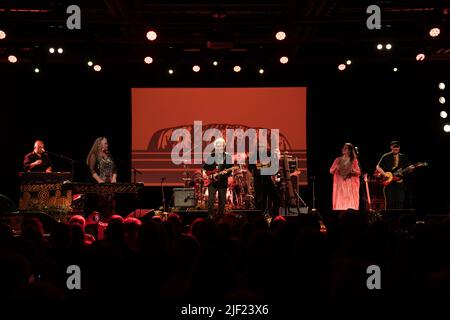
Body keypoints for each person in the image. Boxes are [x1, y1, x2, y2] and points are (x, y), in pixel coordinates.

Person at [376, 140, 413, 209]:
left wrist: (411, 168)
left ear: (399, 148)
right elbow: (378, 167)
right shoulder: (386, 156)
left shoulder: (403, 157)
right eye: (394, 147)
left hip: (400, 183)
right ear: (391, 147)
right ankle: (389, 219)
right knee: (390, 202)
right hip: (389, 183)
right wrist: (384, 174)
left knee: (400, 201)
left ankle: (399, 218)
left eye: (397, 147)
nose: (396, 148)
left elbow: (409, 169)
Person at [86, 137, 117, 220]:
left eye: (107, 143)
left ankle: (111, 223)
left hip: (110, 184)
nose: (107, 145)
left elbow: (114, 169)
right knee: (103, 206)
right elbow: (91, 170)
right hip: (101, 185)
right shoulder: (94, 155)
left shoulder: (109, 155)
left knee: (111, 206)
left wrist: (114, 178)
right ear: (99, 144)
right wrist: (99, 180)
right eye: (105, 143)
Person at [202, 138, 233, 220]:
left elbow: (230, 170)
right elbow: (204, 169)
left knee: (222, 202)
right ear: (215, 146)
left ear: (224, 146)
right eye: (218, 146)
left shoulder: (228, 156)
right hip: (212, 183)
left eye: (221, 146)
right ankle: (210, 218)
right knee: (210, 202)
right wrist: (205, 175)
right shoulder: (211, 156)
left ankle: (221, 218)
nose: (220, 147)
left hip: (222, 181)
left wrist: (228, 175)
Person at [248, 145, 281, 219]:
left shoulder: (269, 153)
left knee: (275, 199)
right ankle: (260, 218)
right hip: (259, 180)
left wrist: (261, 166)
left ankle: (274, 217)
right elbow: (251, 167)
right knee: (260, 200)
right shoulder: (255, 155)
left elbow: (273, 167)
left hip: (267, 179)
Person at [329, 143, 361, 210]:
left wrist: (353, 171)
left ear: (349, 150)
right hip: (340, 186)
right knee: (340, 205)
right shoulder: (338, 160)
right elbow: (331, 171)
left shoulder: (354, 160)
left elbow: (359, 172)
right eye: (343, 148)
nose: (343, 149)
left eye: (345, 148)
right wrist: (336, 168)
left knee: (350, 207)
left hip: (350, 186)